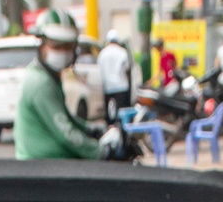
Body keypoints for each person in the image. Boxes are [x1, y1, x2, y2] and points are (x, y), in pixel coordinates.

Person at [14, 9, 102, 160]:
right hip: (43, 168)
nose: (63, 52)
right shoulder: (41, 83)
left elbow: (67, 118)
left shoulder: (47, 77)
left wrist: (91, 130)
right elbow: (65, 133)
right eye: (56, 46)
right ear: (42, 46)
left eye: (68, 47)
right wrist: (101, 151)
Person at [97, 29, 134, 121]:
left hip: (108, 88)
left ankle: (110, 129)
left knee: (109, 116)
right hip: (121, 86)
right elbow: (127, 69)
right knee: (122, 114)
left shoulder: (102, 54)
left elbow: (99, 70)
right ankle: (123, 132)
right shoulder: (122, 52)